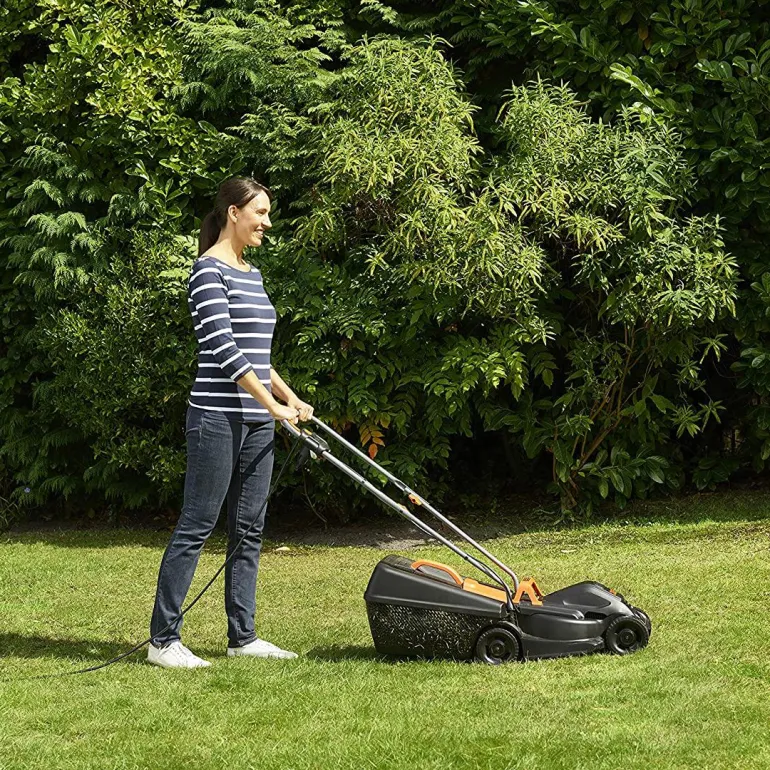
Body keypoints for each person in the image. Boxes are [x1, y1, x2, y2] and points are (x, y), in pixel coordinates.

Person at [148, 177, 313, 668]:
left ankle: (243, 637)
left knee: (248, 529)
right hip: (216, 419)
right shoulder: (207, 272)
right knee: (197, 524)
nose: (267, 223)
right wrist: (272, 406)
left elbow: (257, 355)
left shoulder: (252, 274)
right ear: (233, 213)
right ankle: (163, 641)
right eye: (260, 212)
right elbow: (222, 348)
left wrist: (289, 398)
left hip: (256, 420)